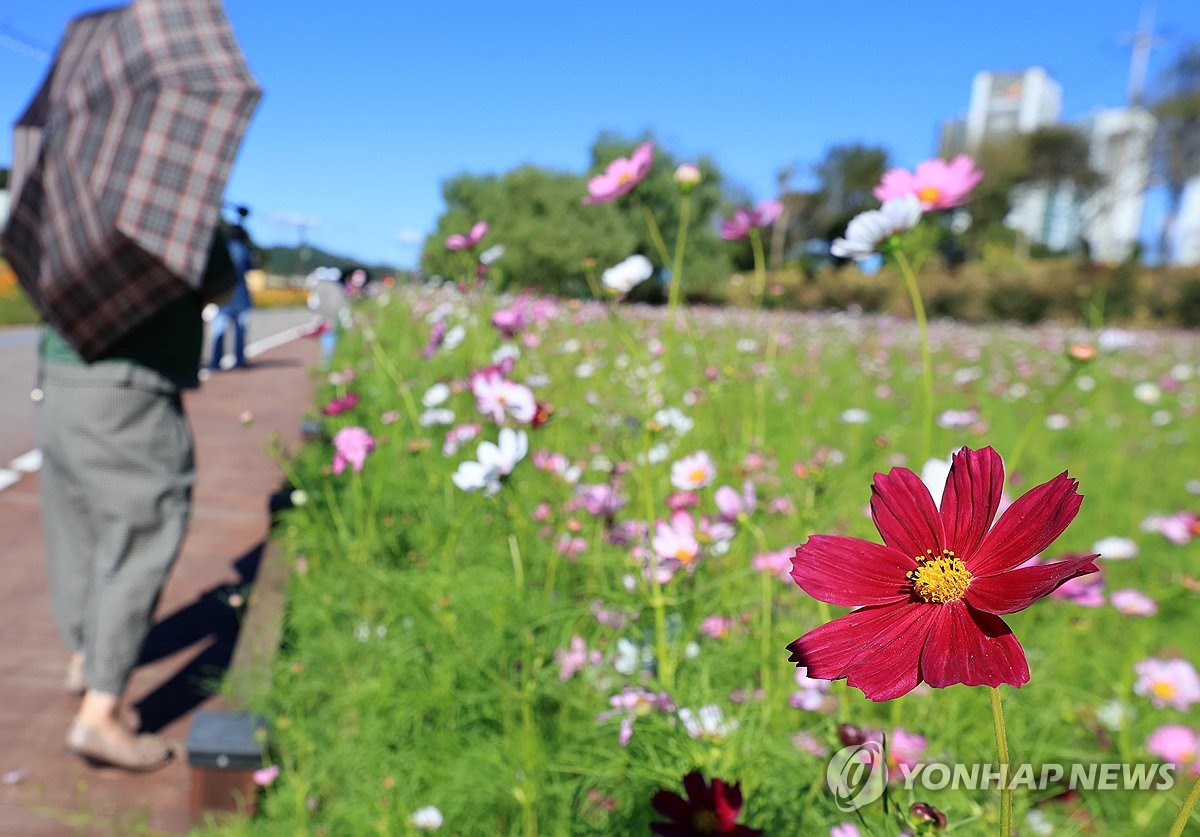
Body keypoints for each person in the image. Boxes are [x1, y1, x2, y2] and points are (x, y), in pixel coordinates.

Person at [36, 225, 238, 772]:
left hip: (58, 381)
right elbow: (221, 285)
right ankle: (100, 714)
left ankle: (85, 656)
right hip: (131, 391)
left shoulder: (67, 203)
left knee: (74, 530)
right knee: (141, 539)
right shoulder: (167, 200)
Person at [206, 215, 255, 371]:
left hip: (223, 294)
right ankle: (239, 361)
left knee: (219, 329)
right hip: (240, 295)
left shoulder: (224, 248)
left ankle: (215, 361)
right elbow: (249, 268)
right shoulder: (244, 250)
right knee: (240, 330)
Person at [306, 266, 351, 362]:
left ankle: (326, 360)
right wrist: (346, 320)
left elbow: (313, 304)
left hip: (322, 316)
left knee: (325, 336)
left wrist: (316, 316)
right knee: (331, 336)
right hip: (334, 317)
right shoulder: (339, 288)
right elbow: (343, 305)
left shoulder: (318, 287)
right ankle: (328, 359)